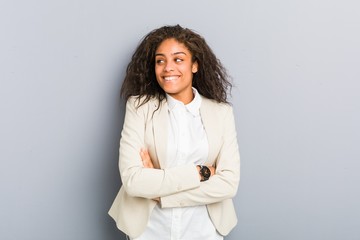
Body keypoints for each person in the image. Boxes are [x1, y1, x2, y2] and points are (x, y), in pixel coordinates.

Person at [108, 24, 240, 240]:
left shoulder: (221, 113)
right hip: (149, 230)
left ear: (194, 65)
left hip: (204, 230)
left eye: (178, 59)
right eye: (160, 61)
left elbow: (228, 185)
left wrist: (161, 194)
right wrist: (200, 172)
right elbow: (133, 180)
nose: (168, 68)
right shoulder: (139, 107)